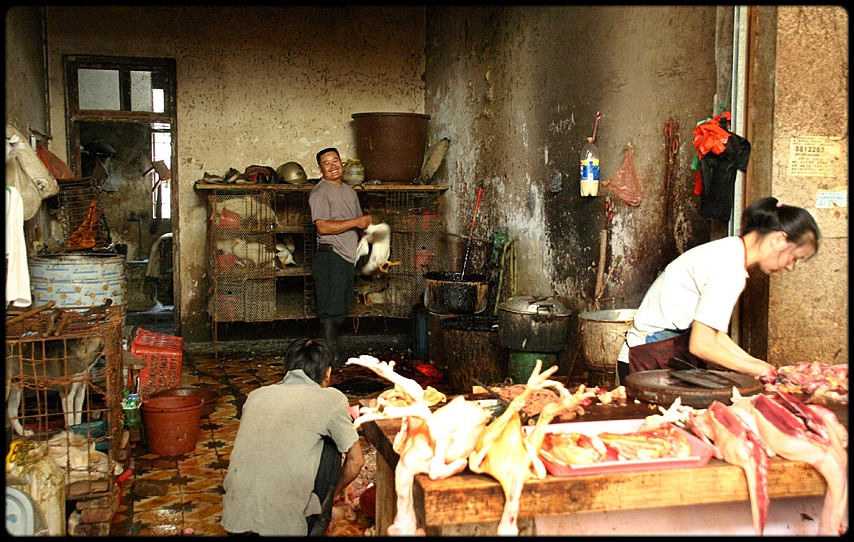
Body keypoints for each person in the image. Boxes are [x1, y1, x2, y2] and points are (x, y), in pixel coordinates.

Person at [617, 197, 820, 382]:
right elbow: (701, 345)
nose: (790, 266)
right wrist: (756, 372)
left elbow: (713, 333)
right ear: (779, 239)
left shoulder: (730, 251)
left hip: (656, 356)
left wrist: (758, 364)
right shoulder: (729, 267)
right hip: (646, 361)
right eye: (794, 257)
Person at [221, 338, 365, 536]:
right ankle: (317, 522)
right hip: (285, 529)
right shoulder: (331, 399)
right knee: (332, 444)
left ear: (287, 369)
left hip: (235, 523)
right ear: (327, 373)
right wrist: (336, 494)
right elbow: (356, 461)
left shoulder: (256, 395)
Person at [308, 147, 373, 365]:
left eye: (335, 161)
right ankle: (326, 358)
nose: (333, 166)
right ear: (320, 168)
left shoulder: (349, 192)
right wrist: (357, 222)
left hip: (347, 257)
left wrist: (371, 233)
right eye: (327, 163)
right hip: (330, 256)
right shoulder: (320, 192)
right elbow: (323, 227)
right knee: (329, 309)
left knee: (340, 306)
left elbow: (358, 222)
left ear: (342, 164)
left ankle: (331, 353)